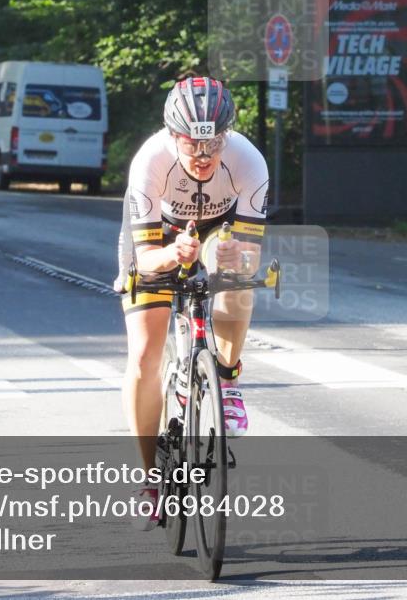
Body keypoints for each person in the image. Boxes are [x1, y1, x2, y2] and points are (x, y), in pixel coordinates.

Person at [115, 76, 269, 529]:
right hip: (158, 237)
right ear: (171, 136)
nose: (203, 158)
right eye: (192, 146)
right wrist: (172, 255)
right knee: (145, 353)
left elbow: (252, 252)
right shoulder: (150, 161)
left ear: (227, 136)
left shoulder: (248, 162)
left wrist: (232, 254)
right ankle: (148, 481)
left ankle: (227, 375)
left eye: (213, 146)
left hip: (219, 228)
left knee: (240, 275)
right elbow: (145, 259)